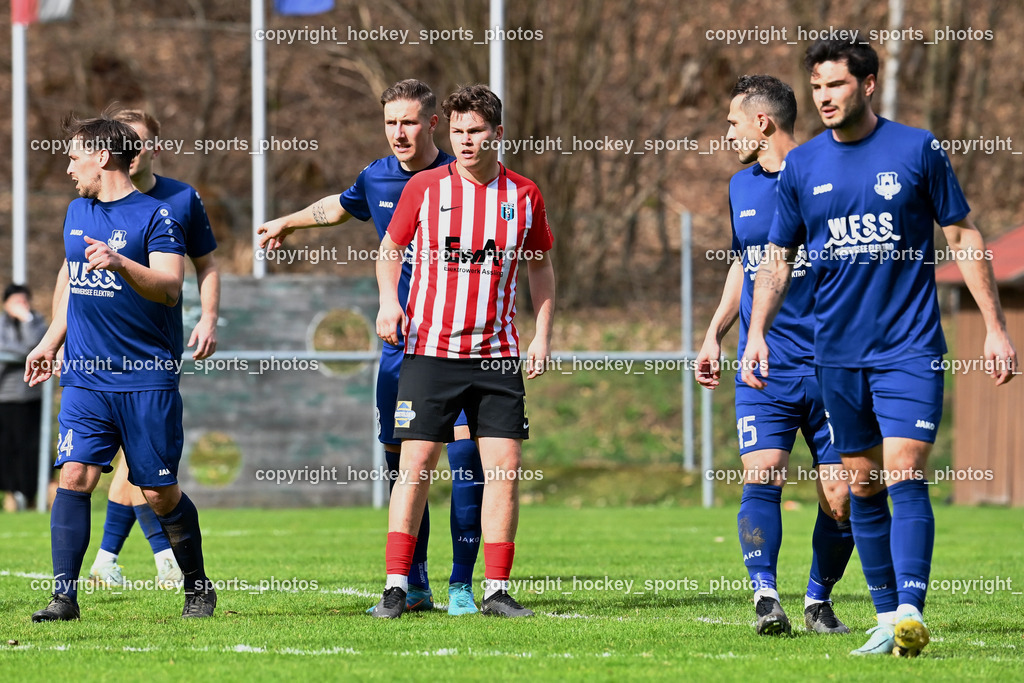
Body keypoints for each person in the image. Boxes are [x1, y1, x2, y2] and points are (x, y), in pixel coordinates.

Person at [742, 38, 1016, 656]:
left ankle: (912, 608)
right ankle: (889, 617)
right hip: (834, 354)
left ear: (867, 85)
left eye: (835, 86)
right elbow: (777, 258)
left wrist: (995, 327)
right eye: (815, 88)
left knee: (904, 470)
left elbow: (962, 234)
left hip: (909, 346)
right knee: (861, 485)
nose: (823, 98)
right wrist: (756, 332)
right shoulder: (803, 166)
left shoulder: (917, 148)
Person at [257, 79, 486, 615]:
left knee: (465, 455)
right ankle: (416, 576)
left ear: (433, 124)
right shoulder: (377, 175)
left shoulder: (460, 177)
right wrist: (288, 223)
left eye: (408, 122)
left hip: (454, 343)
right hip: (399, 346)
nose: (398, 133)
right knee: (400, 459)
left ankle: (463, 585)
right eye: (389, 122)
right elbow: (341, 205)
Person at [369, 84, 555, 619]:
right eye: (458, 132)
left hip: (497, 357)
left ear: (498, 133)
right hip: (429, 351)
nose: (466, 141)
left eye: (475, 131)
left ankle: (495, 590)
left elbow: (540, 265)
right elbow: (390, 249)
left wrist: (542, 334)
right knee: (416, 466)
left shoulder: (524, 195)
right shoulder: (426, 188)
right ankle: (397, 585)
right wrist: (388, 303)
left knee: (504, 469)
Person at [26, 110, 216, 621]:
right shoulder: (75, 212)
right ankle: (63, 597)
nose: (68, 168)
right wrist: (49, 341)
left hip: (145, 377)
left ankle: (197, 585)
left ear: (103, 156)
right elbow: (72, 284)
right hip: (85, 377)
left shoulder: (157, 216)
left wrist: (121, 263)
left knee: (157, 490)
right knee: (74, 477)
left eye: (74, 157)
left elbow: (171, 285)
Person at [696, 74, 855, 636]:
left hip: (837, 365)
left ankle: (818, 600)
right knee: (763, 474)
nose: (729, 131)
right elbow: (745, 264)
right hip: (768, 365)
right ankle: (766, 596)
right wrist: (716, 330)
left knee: (842, 494)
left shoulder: (833, 175)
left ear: (763, 123)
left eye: (734, 121)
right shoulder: (742, 187)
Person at [0, 284, 48, 512]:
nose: (22, 305)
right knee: (8, 450)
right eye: (16, 301)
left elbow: (41, 347)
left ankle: (33, 497)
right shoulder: (1, 324)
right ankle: (11, 498)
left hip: (33, 398)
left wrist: (27, 319)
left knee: (33, 451)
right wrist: (29, 353)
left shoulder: (36, 322)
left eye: (25, 301)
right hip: (5, 399)